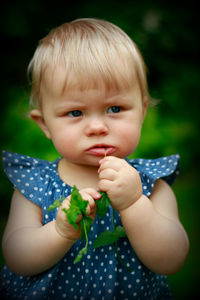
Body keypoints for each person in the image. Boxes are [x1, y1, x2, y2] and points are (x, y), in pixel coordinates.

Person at [0, 18, 189, 299]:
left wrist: (135, 203)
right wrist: (60, 231)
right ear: (45, 124)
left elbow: (171, 258)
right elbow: (18, 258)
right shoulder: (35, 185)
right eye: (75, 113)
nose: (97, 127)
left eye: (115, 108)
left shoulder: (150, 183)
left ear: (142, 111)